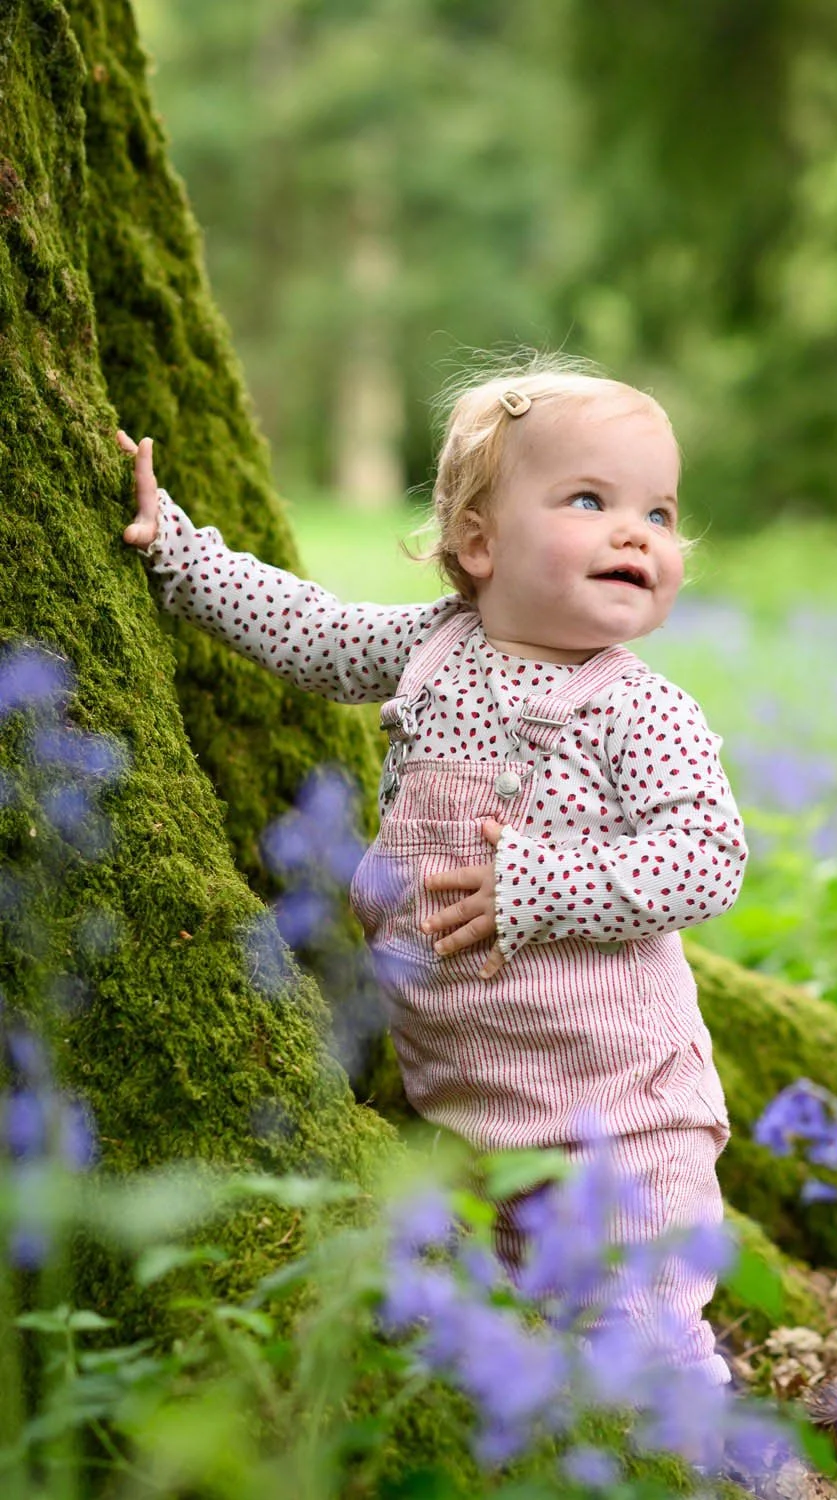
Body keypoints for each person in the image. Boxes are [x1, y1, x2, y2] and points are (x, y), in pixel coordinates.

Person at [117, 363, 746, 1383]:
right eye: (591, 499)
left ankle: (697, 1461)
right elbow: (313, 634)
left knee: (640, 1343)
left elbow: (709, 859)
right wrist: (181, 555)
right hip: (474, 1117)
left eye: (660, 511)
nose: (638, 532)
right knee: (519, 1346)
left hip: (625, 1121)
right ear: (478, 542)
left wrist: (537, 886)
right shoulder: (433, 648)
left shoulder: (642, 710)